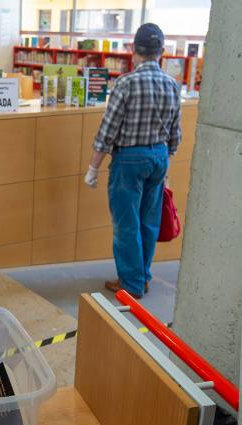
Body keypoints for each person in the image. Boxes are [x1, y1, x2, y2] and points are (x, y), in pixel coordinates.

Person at [84, 23, 182, 298]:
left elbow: (108, 131)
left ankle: (131, 284)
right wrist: (166, 158)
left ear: (133, 50)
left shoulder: (125, 84)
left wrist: (93, 167)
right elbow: (176, 134)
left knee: (126, 224)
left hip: (129, 160)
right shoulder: (172, 85)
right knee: (148, 221)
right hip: (159, 158)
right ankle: (143, 276)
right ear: (161, 51)